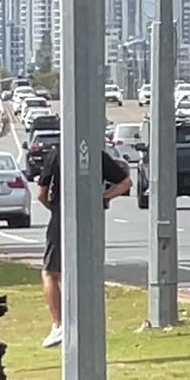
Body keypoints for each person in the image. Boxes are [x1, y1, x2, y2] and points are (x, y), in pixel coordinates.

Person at [37, 147, 132, 348]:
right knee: (84, 271)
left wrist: (55, 209)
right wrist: (103, 198)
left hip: (61, 219)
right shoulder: (97, 155)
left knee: (50, 272)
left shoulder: (57, 154)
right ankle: (85, 322)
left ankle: (59, 324)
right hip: (90, 220)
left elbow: (41, 194)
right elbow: (126, 183)